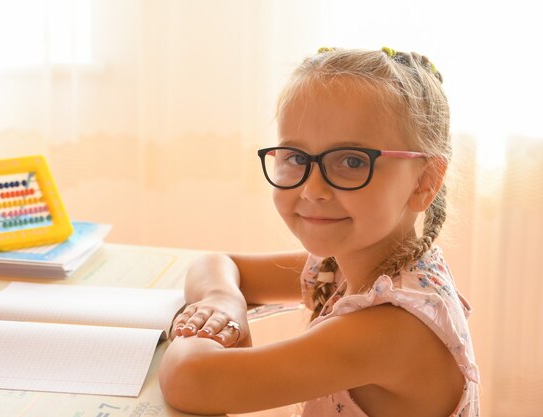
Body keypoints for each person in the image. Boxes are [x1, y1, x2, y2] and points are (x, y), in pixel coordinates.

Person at [159, 46, 480, 417]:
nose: (312, 189)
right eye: (296, 158)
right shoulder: (352, 265)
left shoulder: (391, 326)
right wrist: (221, 301)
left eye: (351, 161)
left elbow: (192, 381)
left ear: (424, 181)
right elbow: (217, 263)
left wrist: (195, 331)